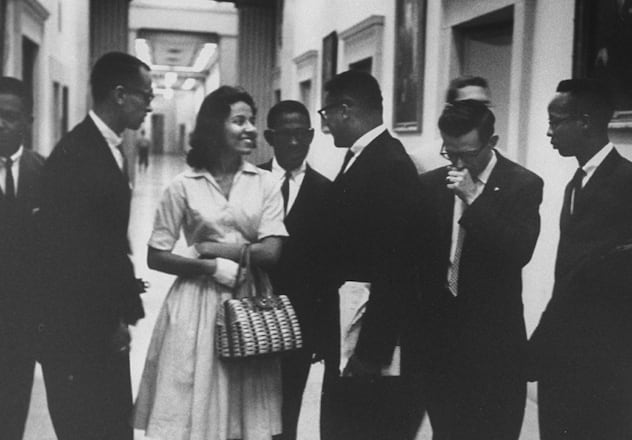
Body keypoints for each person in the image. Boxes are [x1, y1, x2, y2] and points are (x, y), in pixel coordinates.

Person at [530, 78, 632, 440]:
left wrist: (623, 308)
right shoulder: (576, 183)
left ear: (585, 122)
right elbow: (569, 279)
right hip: (561, 360)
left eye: (556, 121)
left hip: (608, 365)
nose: (549, 131)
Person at [133, 86, 288, 440]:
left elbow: (272, 252)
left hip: (250, 303)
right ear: (215, 126)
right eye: (239, 120)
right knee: (194, 398)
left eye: (252, 120)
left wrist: (209, 248)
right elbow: (156, 255)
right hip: (196, 306)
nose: (250, 128)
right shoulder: (182, 186)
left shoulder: (266, 183)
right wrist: (207, 266)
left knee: (243, 408)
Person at [35, 51, 150, 439]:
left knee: (112, 425)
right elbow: (72, 258)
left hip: (94, 327)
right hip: (80, 334)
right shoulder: (77, 155)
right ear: (119, 94)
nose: (149, 105)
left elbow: (108, 240)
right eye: (145, 96)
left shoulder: (105, 147)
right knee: (92, 426)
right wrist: (110, 323)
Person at [419, 100, 543, 440]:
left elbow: (519, 252)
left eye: (469, 154)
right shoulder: (430, 185)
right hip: (441, 345)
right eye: (450, 152)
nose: (458, 164)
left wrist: (475, 199)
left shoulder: (523, 185)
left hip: (495, 348)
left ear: (493, 142)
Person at [317, 70, 424, 440]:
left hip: (367, 345)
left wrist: (372, 352)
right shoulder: (363, 158)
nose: (325, 123)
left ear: (345, 110)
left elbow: (398, 270)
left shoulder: (389, 166)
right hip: (349, 331)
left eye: (326, 112)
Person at [259, 100, 332, 440]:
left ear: (312, 136)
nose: (293, 143)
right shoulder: (250, 183)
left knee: (289, 408)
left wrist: (319, 331)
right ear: (269, 137)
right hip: (251, 313)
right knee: (248, 408)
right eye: (285, 135)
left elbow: (327, 270)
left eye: (301, 135)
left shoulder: (327, 192)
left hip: (300, 322)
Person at [0, 76, 45, 440]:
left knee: (14, 409)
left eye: (9, 115)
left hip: (23, 324)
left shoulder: (45, 174)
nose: (0, 123)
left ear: (28, 121)